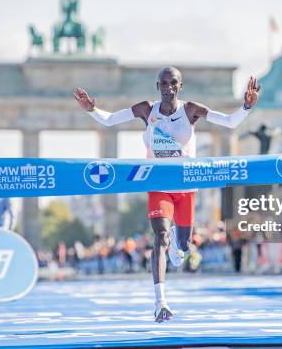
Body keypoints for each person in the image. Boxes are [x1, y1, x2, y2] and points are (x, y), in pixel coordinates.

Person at [74, 67, 260, 322]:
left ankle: (180, 243)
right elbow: (109, 120)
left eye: (173, 83)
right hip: (158, 184)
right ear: (157, 85)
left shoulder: (190, 110)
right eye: (163, 83)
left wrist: (246, 107)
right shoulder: (145, 110)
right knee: (160, 237)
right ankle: (160, 301)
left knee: (182, 245)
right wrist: (92, 109)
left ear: (180, 86)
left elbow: (228, 122)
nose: (168, 88)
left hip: (185, 186)